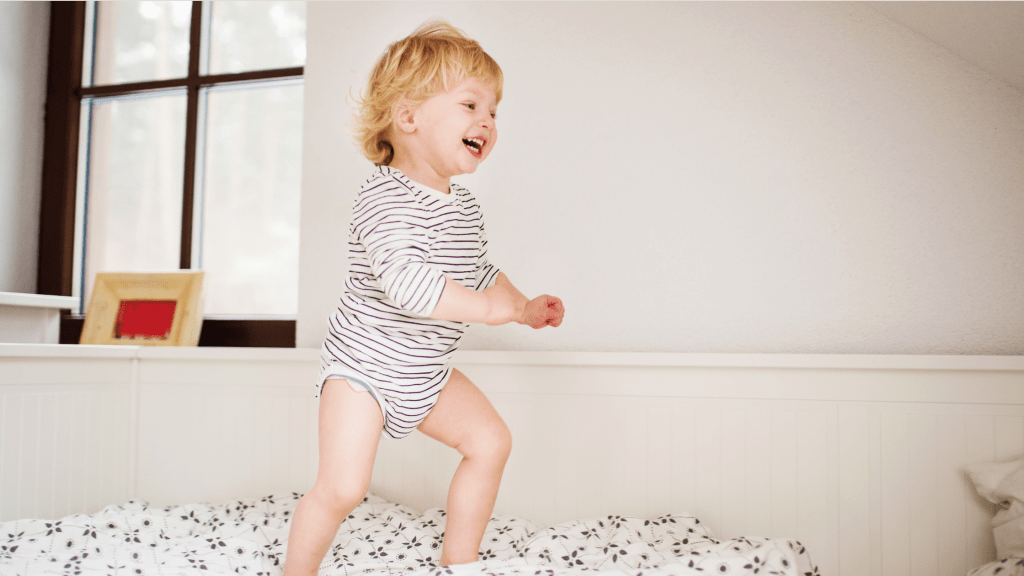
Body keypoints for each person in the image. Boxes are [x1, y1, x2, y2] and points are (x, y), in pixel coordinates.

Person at [282, 20, 565, 575]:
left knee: (490, 442)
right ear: (408, 116)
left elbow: (480, 272)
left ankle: (459, 560)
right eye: (469, 104)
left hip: (424, 369)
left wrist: (523, 307)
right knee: (342, 488)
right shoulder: (384, 196)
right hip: (362, 366)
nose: (486, 121)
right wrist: (489, 313)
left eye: (492, 112)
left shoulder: (463, 209)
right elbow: (408, 285)